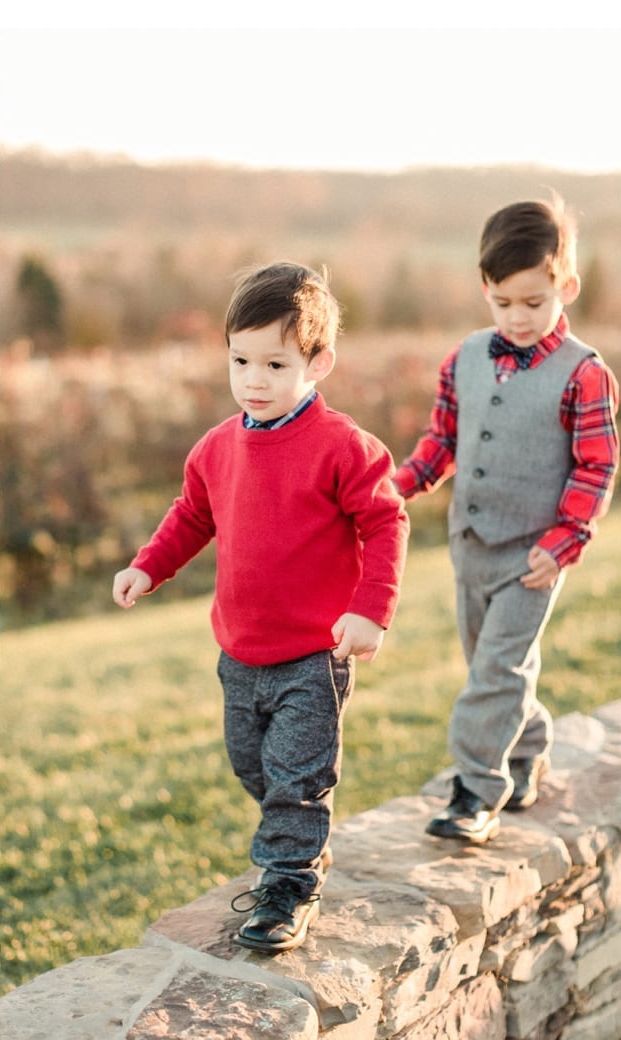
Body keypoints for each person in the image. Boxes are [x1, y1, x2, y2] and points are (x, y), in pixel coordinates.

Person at [112, 262, 409, 954]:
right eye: (240, 360)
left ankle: (287, 883)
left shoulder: (340, 446)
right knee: (258, 768)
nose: (254, 378)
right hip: (240, 654)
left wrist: (372, 609)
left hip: (314, 653)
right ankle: (298, 842)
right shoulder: (218, 447)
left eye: (275, 363)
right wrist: (147, 566)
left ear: (318, 361)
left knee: (297, 779)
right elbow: (191, 516)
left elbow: (387, 521)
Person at [395, 194, 619, 845]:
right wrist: (402, 485)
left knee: (496, 670)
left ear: (564, 286)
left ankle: (475, 790)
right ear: (484, 289)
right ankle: (527, 752)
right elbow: (443, 440)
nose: (517, 317)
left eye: (533, 302)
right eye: (503, 303)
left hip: (533, 557)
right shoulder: (462, 357)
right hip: (470, 546)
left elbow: (595, 467)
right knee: (490, 665)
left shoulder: (583, 373)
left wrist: (566, 538)